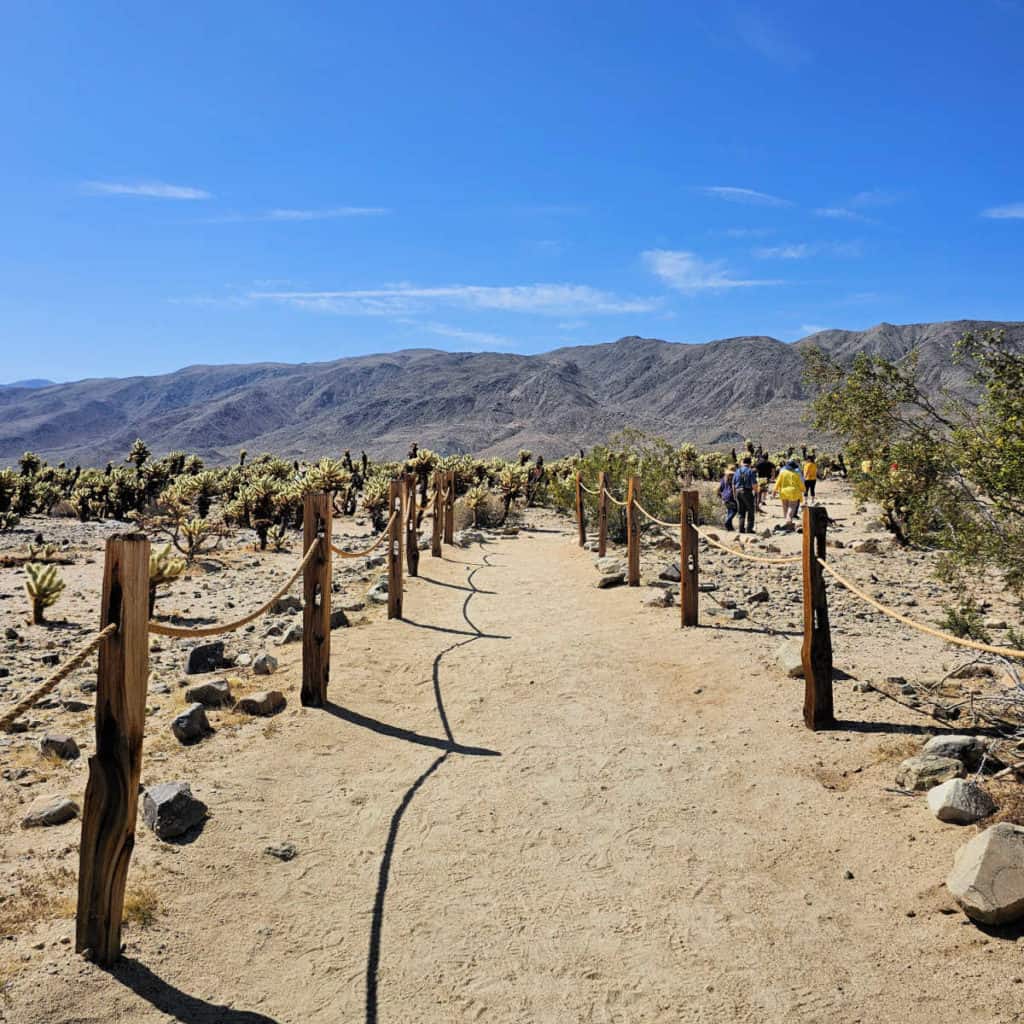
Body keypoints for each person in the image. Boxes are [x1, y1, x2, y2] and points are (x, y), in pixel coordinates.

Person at [774, 459, 805, 527]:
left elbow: (777, 483)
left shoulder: (782, 473)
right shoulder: (795, 474)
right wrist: (803, 490)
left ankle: (787, 522)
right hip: (794, 492)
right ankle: (788, 519)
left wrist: (774, 491)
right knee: (792, 506)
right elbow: (800, 484)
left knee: (785, 506)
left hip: (783, 492)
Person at [732, 456, 758, 534]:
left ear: (743, 463)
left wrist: (734, 494)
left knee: (741, 511)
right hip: (747, 492)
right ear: (750, 463)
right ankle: (749, 529)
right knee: (750, 510)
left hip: (737, 491)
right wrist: (756, 492)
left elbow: (733, 484)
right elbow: (754, 484)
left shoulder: (737, 471)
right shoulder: (750, 471)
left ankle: (741, 529)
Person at [718, 465, 737, 531]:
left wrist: (720, 496)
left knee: (729, 511)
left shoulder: (723, 478)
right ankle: (727, 521)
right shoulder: (734, 478)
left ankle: (730, 527)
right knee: (735, 510)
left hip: (725, 496)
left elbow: (720, 488)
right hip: (732, 496)